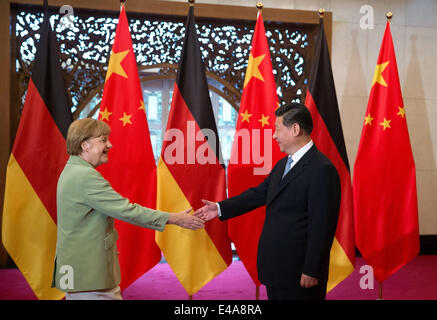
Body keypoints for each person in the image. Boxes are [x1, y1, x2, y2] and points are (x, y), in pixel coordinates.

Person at [194, 102, 341, 300]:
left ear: (295, 129)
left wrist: (312, 269)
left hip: (301, 272)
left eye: (278, 129)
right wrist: (220, 208)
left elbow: (322, 226)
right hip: (277, 268)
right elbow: (259, 193)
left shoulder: (322, 169)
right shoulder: (283, 164)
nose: (274, 135)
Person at [52, 118, 204, 300]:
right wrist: (175, 218)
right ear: (84, 145)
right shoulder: (85, 176)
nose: (110, 144)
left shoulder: (72, 169)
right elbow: (127, 210)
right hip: (89, 272)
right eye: (103, 140)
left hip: (80, 270)